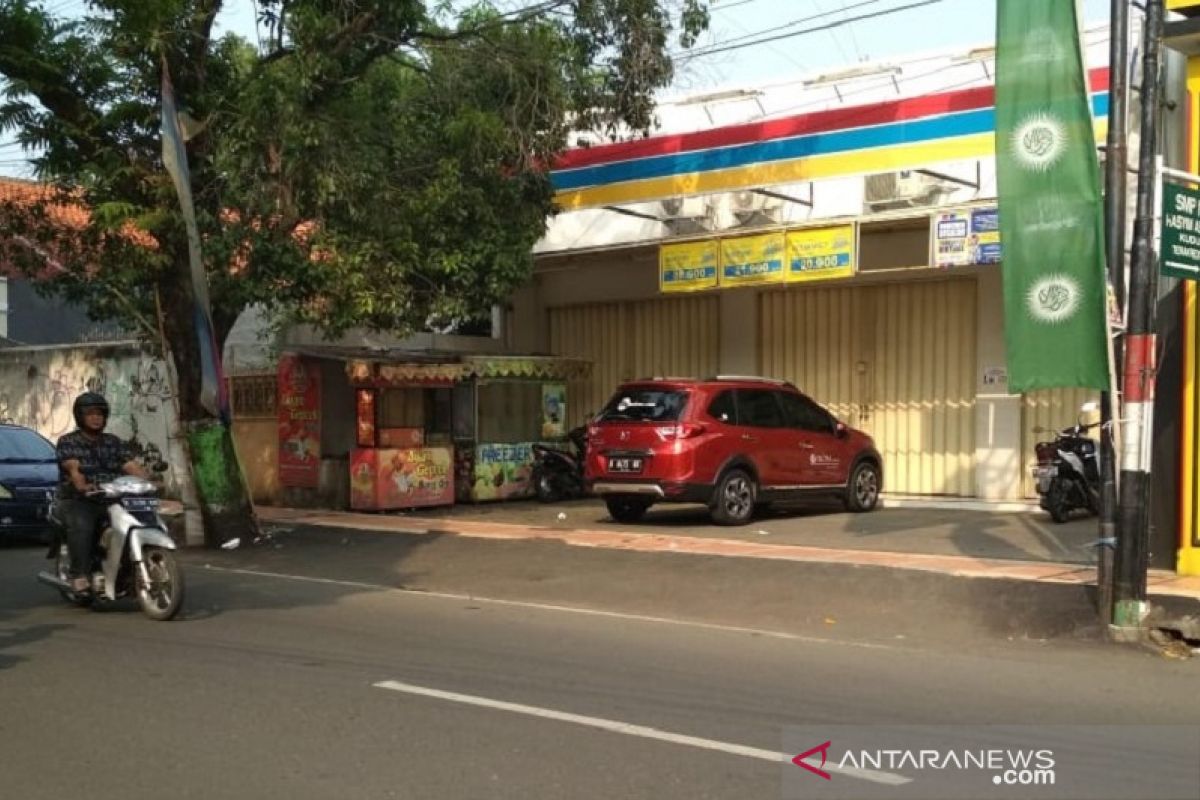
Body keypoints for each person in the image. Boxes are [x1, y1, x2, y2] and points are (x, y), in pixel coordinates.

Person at [55, 392, 148, 594]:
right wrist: (82, 484)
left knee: (137, 519)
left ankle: (126, 569)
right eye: (90, 414)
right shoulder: (68, 441)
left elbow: (130, 465)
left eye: (100, 413)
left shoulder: (113, 441)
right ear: (80, 417)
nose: (96, 418)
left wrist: (147, 482)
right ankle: (79, 574)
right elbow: (73, 467)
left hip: (112, 497)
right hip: (77, 499)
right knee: (83, 524)